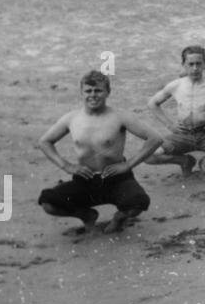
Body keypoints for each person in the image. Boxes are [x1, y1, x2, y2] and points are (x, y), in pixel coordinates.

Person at [37, 70, 164, 234]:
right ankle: (86, 215)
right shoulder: (71, 118)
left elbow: (155, 138)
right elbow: (44, 142)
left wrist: (128, 164)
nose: (93, 95)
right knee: (48, 202)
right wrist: (67, 166)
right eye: (88, 91)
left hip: (116, 178)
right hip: (85, 179)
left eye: (98, 90)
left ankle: (119, 218)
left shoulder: (120, 117)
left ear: (107, 92)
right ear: (81, 93)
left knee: (138, 203)